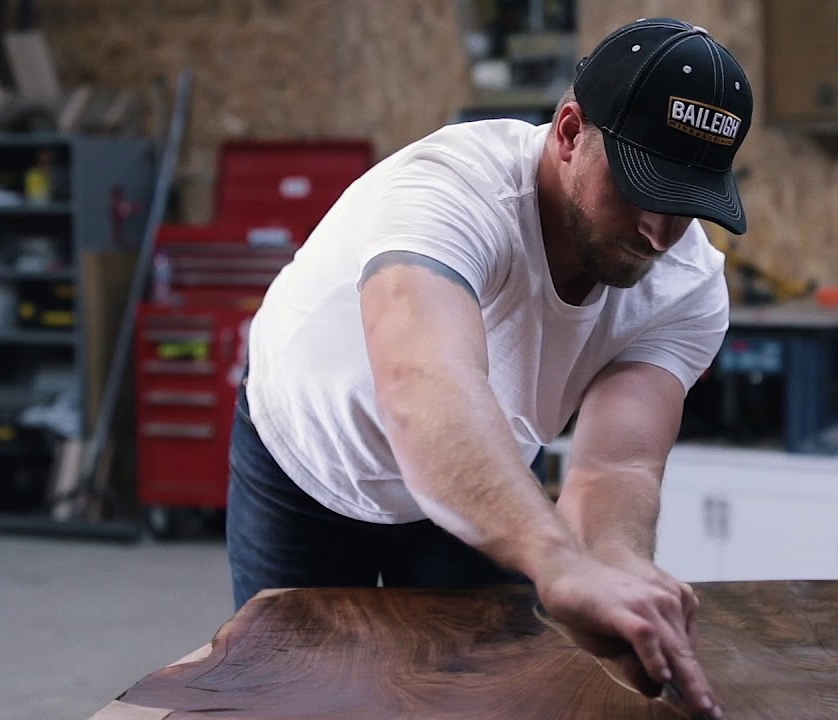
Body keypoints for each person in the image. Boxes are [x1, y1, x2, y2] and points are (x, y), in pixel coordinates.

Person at [227, 17, 752, 719]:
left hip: (485, 467)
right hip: (309, 458)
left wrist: (613, 562)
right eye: (641, 187)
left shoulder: (685, 284)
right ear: (569, 132)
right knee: (299, 702)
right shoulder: (449, 193)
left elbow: (616, 466)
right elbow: (425, 387)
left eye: (688, 205)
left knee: (482, 698)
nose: (660, 232)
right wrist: (557, 561)